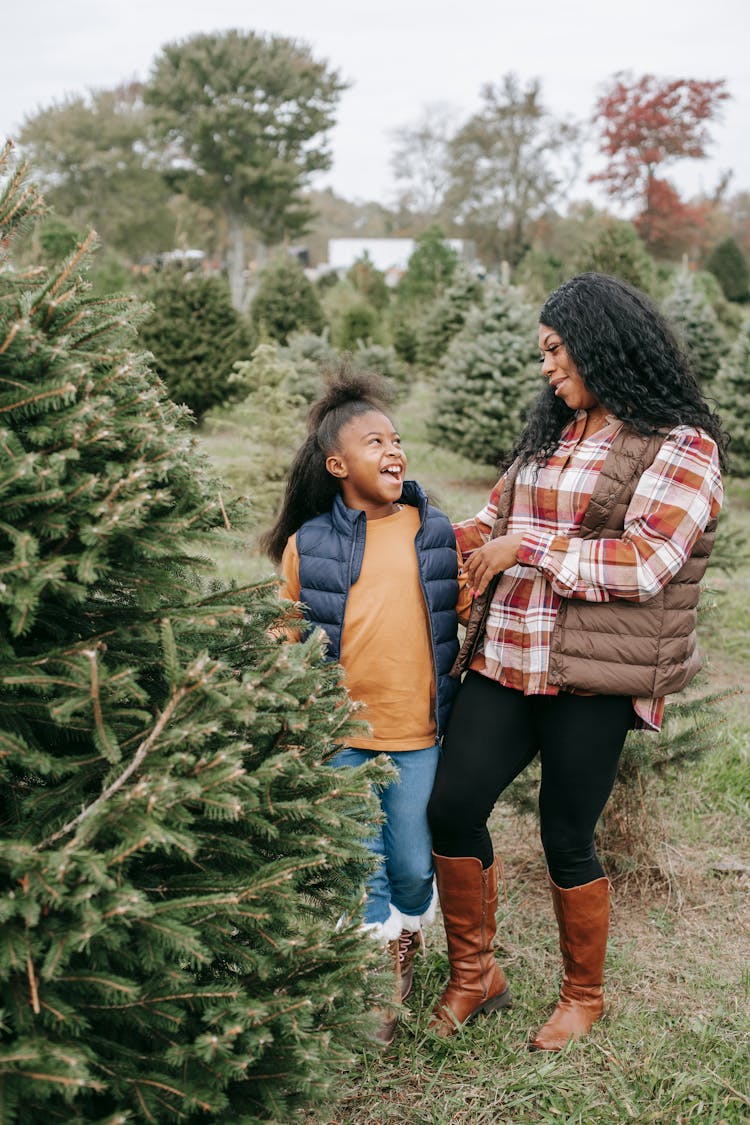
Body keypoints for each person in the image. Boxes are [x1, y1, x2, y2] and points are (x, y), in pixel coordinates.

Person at [426, 272, 726, 1048]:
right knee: (453, 805)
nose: (547, 367)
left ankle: (582, 994)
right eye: (542, 353)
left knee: (566, 830)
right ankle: (475, 974)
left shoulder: (680, 446)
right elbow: (491, 516)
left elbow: (646, 561)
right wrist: (408, 531)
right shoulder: (553, 434)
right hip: (506, 656)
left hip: (589, 673)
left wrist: (526, 547)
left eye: (557, 350)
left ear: (599, 343)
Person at [262, 369, 470, 1046]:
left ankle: (407, 940)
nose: (393, 449)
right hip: (345, 737)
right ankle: (378, 984)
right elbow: (283, 630)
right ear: (337, 463)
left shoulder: (432, 529)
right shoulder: (310, 544)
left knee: (412, 861)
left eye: (397, 438)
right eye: (374, 439)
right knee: (363, 864)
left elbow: (463, 607)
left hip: (417, 736)